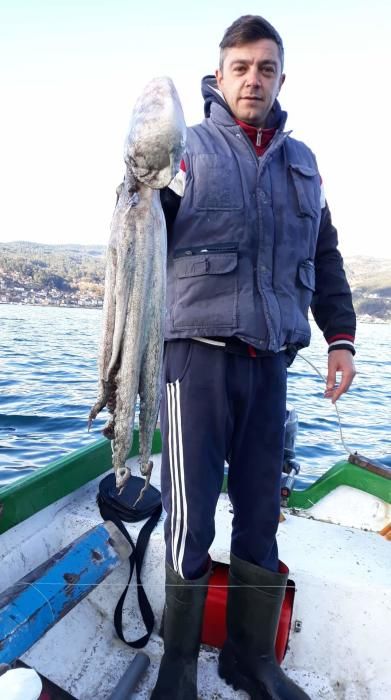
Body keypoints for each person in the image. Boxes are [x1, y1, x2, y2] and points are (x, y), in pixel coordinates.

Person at [151, 14, 356, 700]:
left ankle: (248, 659)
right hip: (195, 359)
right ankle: (177, 662)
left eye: (265, 69)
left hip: (270, 362)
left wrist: (340, 338)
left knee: (261, 511)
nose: (253, 80)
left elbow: (323, 257)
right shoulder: (184, 152)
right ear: (219, 74)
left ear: (280, 78)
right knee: (192, 513)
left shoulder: (303, 164)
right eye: (240, 67)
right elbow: (141, 230)